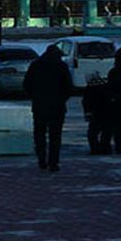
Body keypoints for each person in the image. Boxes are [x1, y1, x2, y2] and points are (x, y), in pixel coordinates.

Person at [22, 44, 72, 172]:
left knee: (40, 134)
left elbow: (27, 85)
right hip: (58, 107)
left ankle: (42, 160)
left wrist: (35, 96)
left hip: (39, 105)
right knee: (55, 136)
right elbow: (68, 87)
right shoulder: (61, 66)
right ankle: (53, 162)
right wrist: (62, 99)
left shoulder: (36, 66)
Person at [81, 73, 113, 155]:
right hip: (107, 112)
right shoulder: (106, 87)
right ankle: (105, 148)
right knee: (106, 132)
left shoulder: (89, 89)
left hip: (95, 113)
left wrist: (87, 113)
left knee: (93, 133)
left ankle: (95, 149)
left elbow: (86, 103)